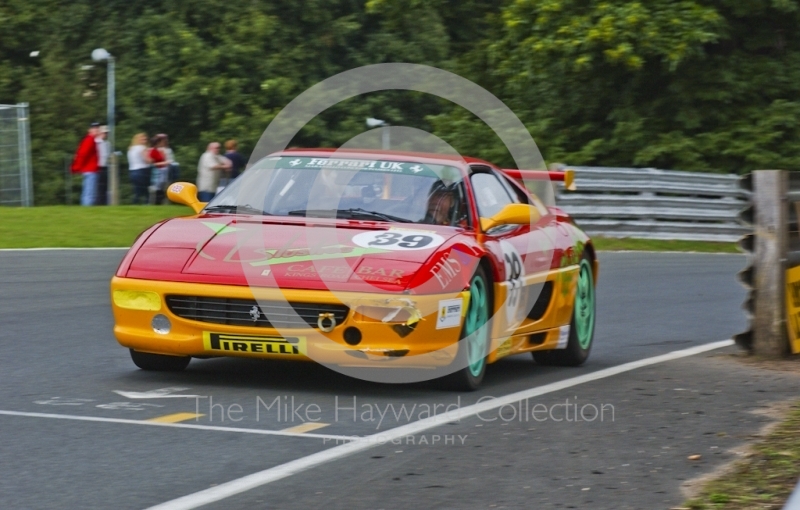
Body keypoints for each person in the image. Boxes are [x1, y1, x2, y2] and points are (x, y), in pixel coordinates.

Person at [71, 122, 100, 206]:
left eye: (97, 128)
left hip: (90, 170)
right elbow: (82, 154)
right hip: (90, 170)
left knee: (88, 192)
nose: (96, 130)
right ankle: (86, 211)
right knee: (89, 194)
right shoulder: (89, 140)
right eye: (94, 128)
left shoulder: (91, 140)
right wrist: (76, 167)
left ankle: (85, 210)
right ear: (89, 130)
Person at [127, 133, 151, 205]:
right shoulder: (142, 148)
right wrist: (153, 160)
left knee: (137, 190)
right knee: (145, 190)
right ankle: (145, 204)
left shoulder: (131, 149)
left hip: (132, 171)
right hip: (142, 170)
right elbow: (147, 160)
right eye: (143, 138)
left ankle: (135, 204)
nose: (145, 140)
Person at [95, 125, 110, 205]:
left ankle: (104, 202)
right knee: (99, 187)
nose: (106, 134)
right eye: (104, 133)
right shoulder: (96, 142)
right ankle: (99, 202)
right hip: (98, 167)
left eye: (106, 133)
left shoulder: (107, 143)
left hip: (105, 166)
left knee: (105, 186)